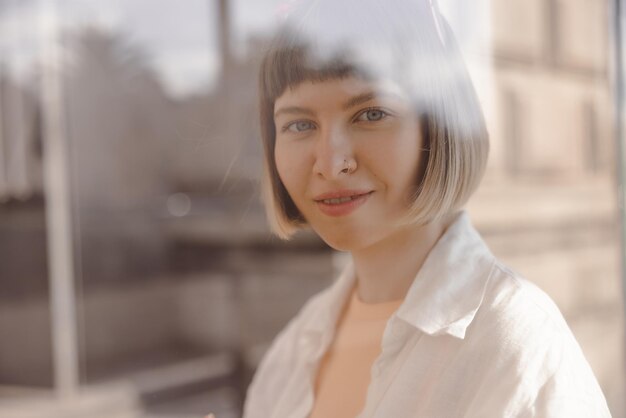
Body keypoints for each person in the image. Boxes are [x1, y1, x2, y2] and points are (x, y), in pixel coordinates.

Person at [241, 0, 612, 417]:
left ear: (439, 126)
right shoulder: (294, 348)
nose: (330, 164)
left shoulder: (514, 344)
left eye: (371, 113)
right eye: (300, 124)